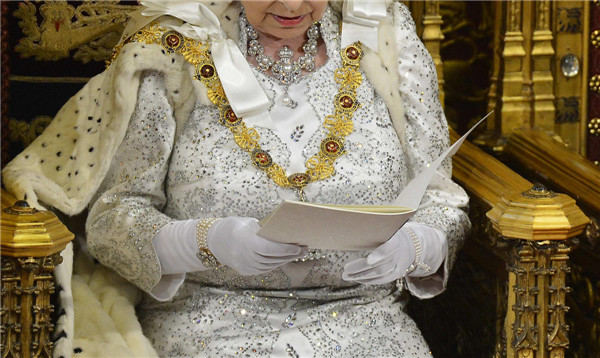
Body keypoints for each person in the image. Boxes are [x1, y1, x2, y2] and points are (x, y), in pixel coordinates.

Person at [3, 0, 470, 356]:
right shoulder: (174, 50)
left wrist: (420, 245)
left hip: (368, 321)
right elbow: (110, 219)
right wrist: (202, 241)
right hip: (208, 320)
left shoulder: (383, 37)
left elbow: (439, 198)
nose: (291, 7)